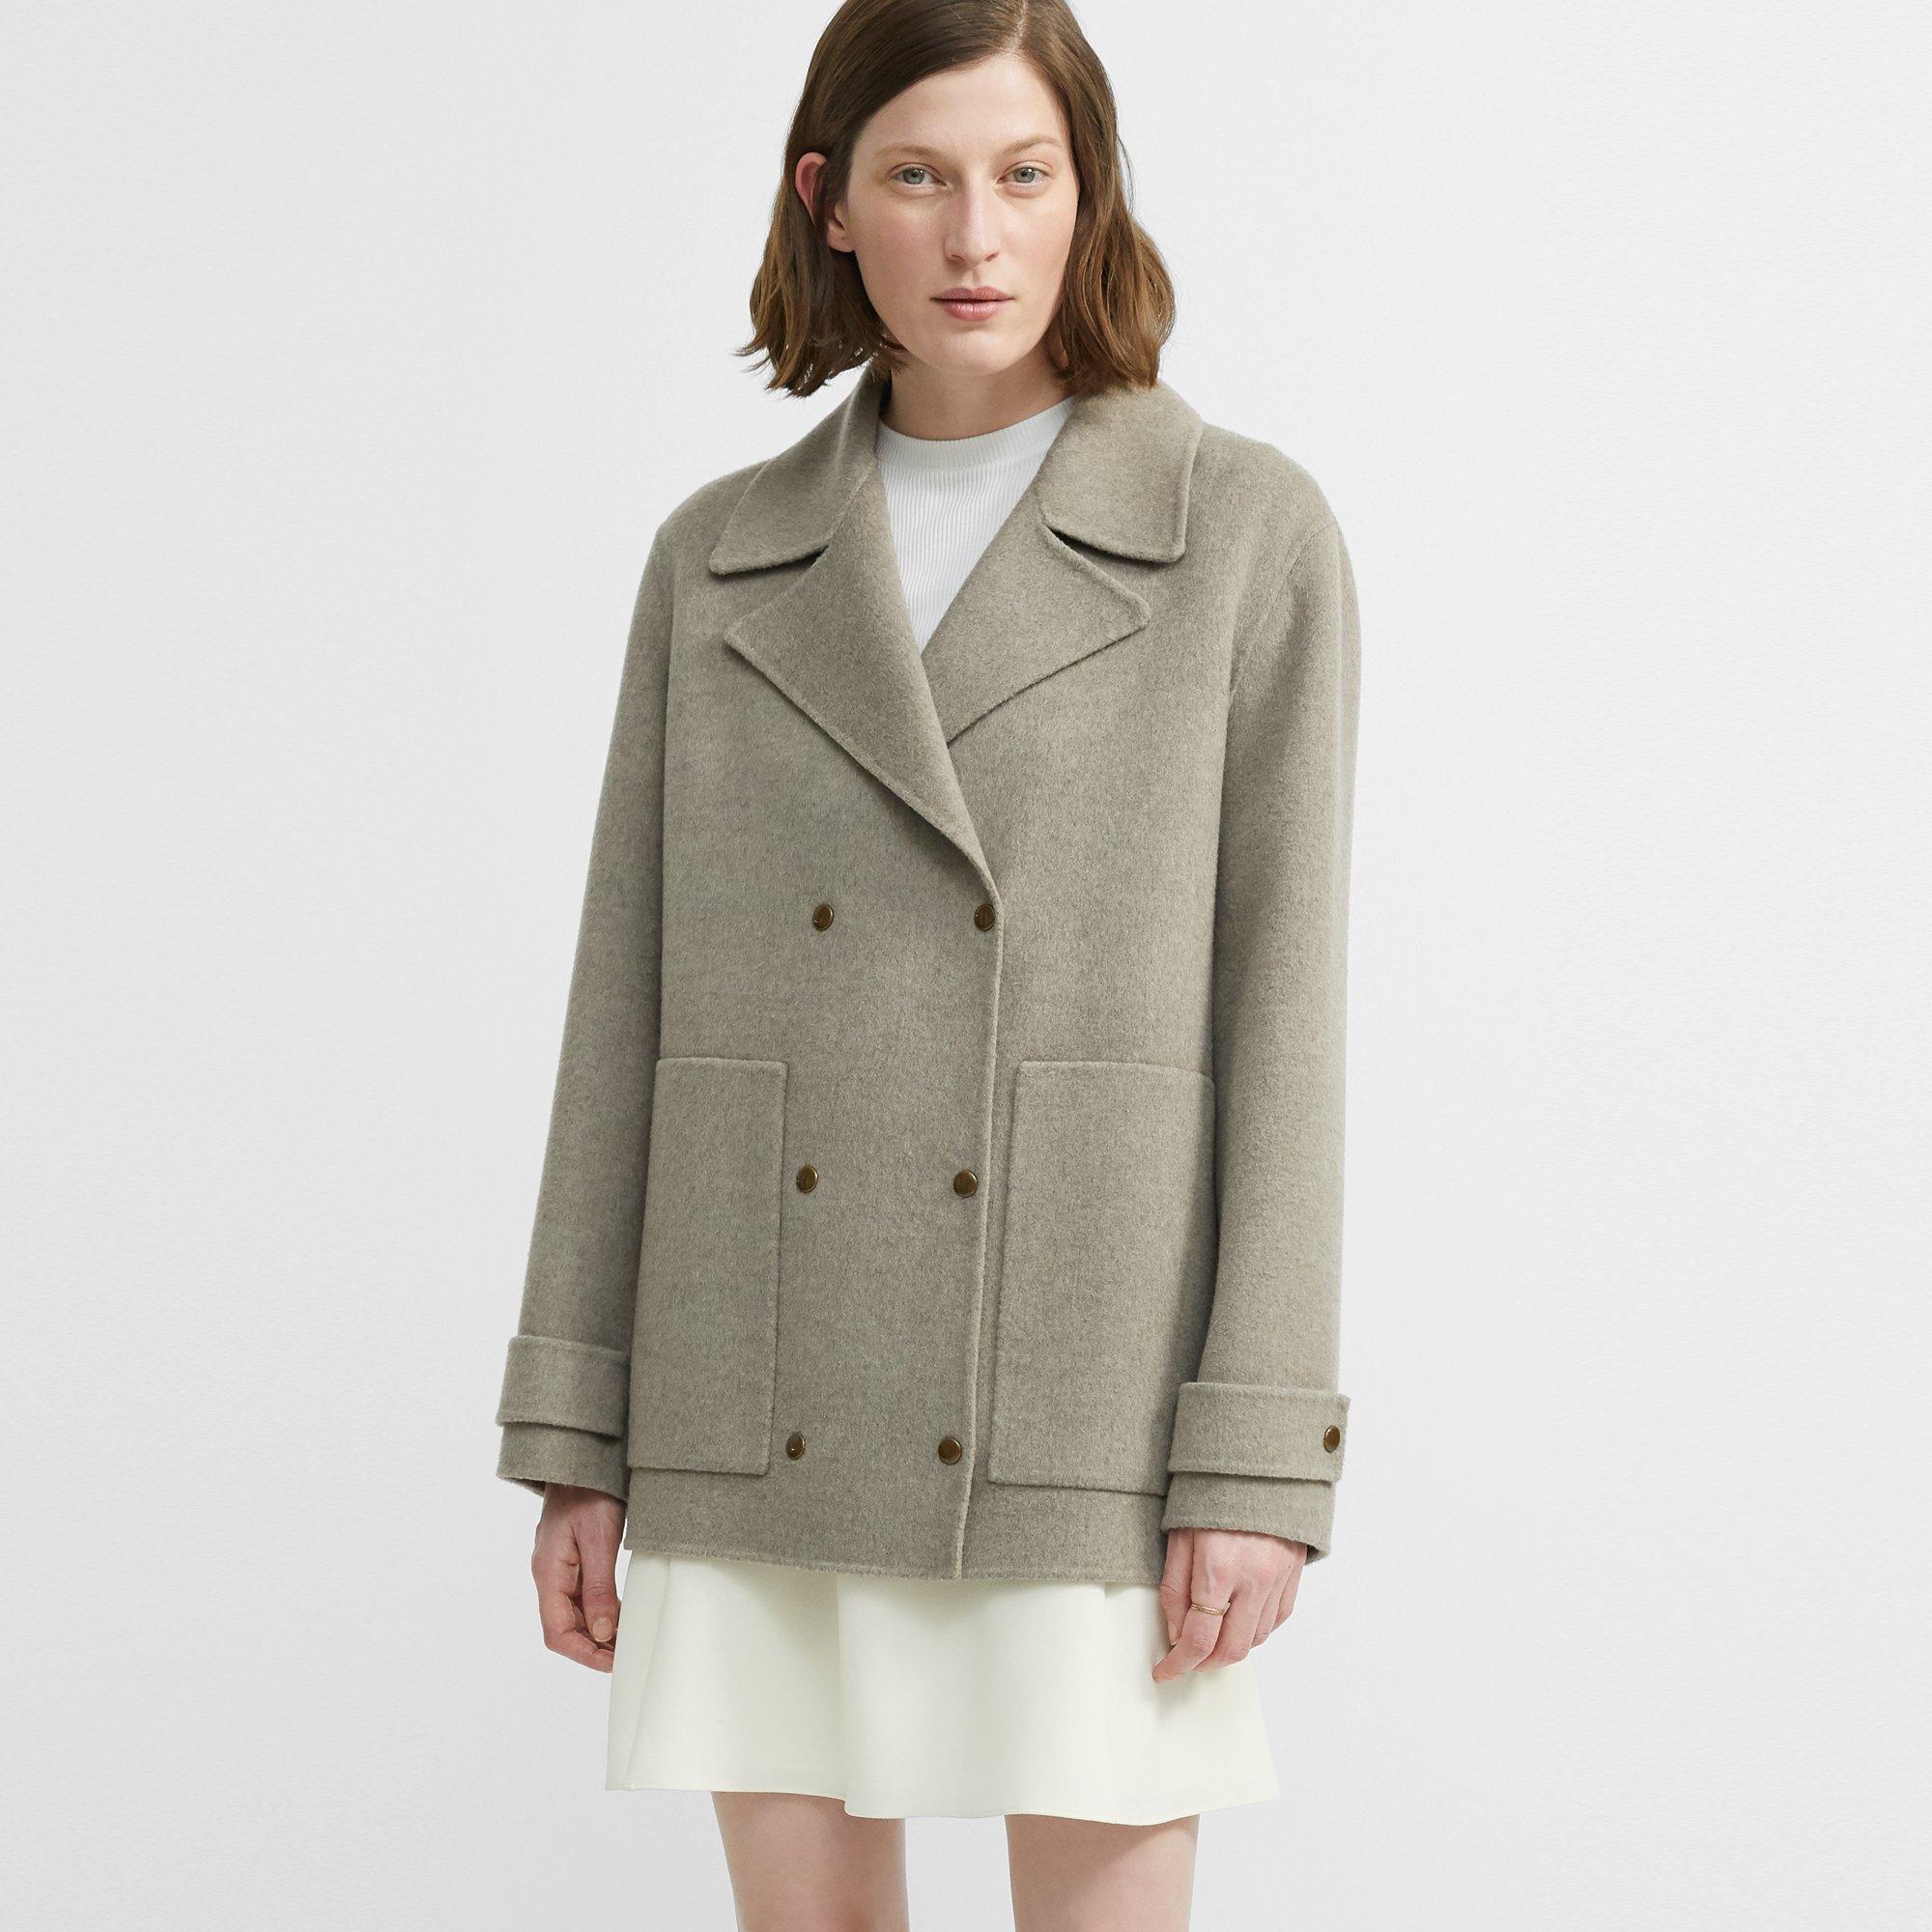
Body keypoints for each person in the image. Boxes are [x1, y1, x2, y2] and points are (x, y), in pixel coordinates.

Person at [492, 2, 1360, 1924]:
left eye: (1024, 174)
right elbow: (621, 1006)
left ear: (1087, 193)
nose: (976, 233)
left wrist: (1254, 1458)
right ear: (828, 202)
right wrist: (577, 1428)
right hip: (756, 1361)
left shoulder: (1238, 534)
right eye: (917, 176)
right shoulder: (719, 557)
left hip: (1083, 1370)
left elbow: (1286, 1020)